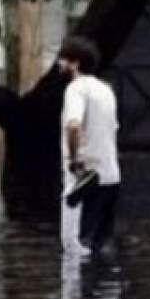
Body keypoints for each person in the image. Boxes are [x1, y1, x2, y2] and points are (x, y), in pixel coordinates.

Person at [58, 36, 120, 256]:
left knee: (75, 247)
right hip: (111, 177)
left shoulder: (76, 89)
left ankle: (79, 292)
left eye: (63, 60)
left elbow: (73, 126)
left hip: (85, 180)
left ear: (75, 63)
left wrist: (75, 161)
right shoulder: (106, 90)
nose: (59, 65)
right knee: (102, 248)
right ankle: (105, 290)